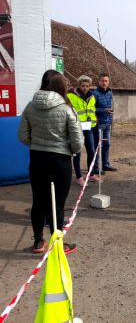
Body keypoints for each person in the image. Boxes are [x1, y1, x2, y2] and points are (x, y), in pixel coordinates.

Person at [18, 70, 83, 254]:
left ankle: (38, 242)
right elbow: (77, 142)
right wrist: (68, 149)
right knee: (58, 204)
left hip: (37, 159)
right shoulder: (67, 109)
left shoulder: (31, 107)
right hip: (60, 161)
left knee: (38, 201)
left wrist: (38, 144)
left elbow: (22, 136)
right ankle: (57, 244)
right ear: (63, 89)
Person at [67, 75, 101, 186]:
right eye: (83, 86)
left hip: (89, 128)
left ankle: (90, 174)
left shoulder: (92, 97)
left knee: (91, 151)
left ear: (90, 86)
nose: (85, 88)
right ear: (79, 85)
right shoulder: (70, 96)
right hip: (76, 128)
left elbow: (92, 111)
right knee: (77, 152)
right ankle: (78, 177)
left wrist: (94, 119)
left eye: (87, 86)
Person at [92, 72, 117, 172]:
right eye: (102, 81)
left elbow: (110, 106)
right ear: (99, 81)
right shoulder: (94, 94)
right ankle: (96, 167)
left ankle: (105, 164)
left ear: (108, 82)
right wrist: (104, 110)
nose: (104, 83)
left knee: (107, 145)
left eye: (106, 81)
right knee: (98, 146)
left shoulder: (110, 92)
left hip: (107, 123)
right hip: (98, 124)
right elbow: (91, 109)